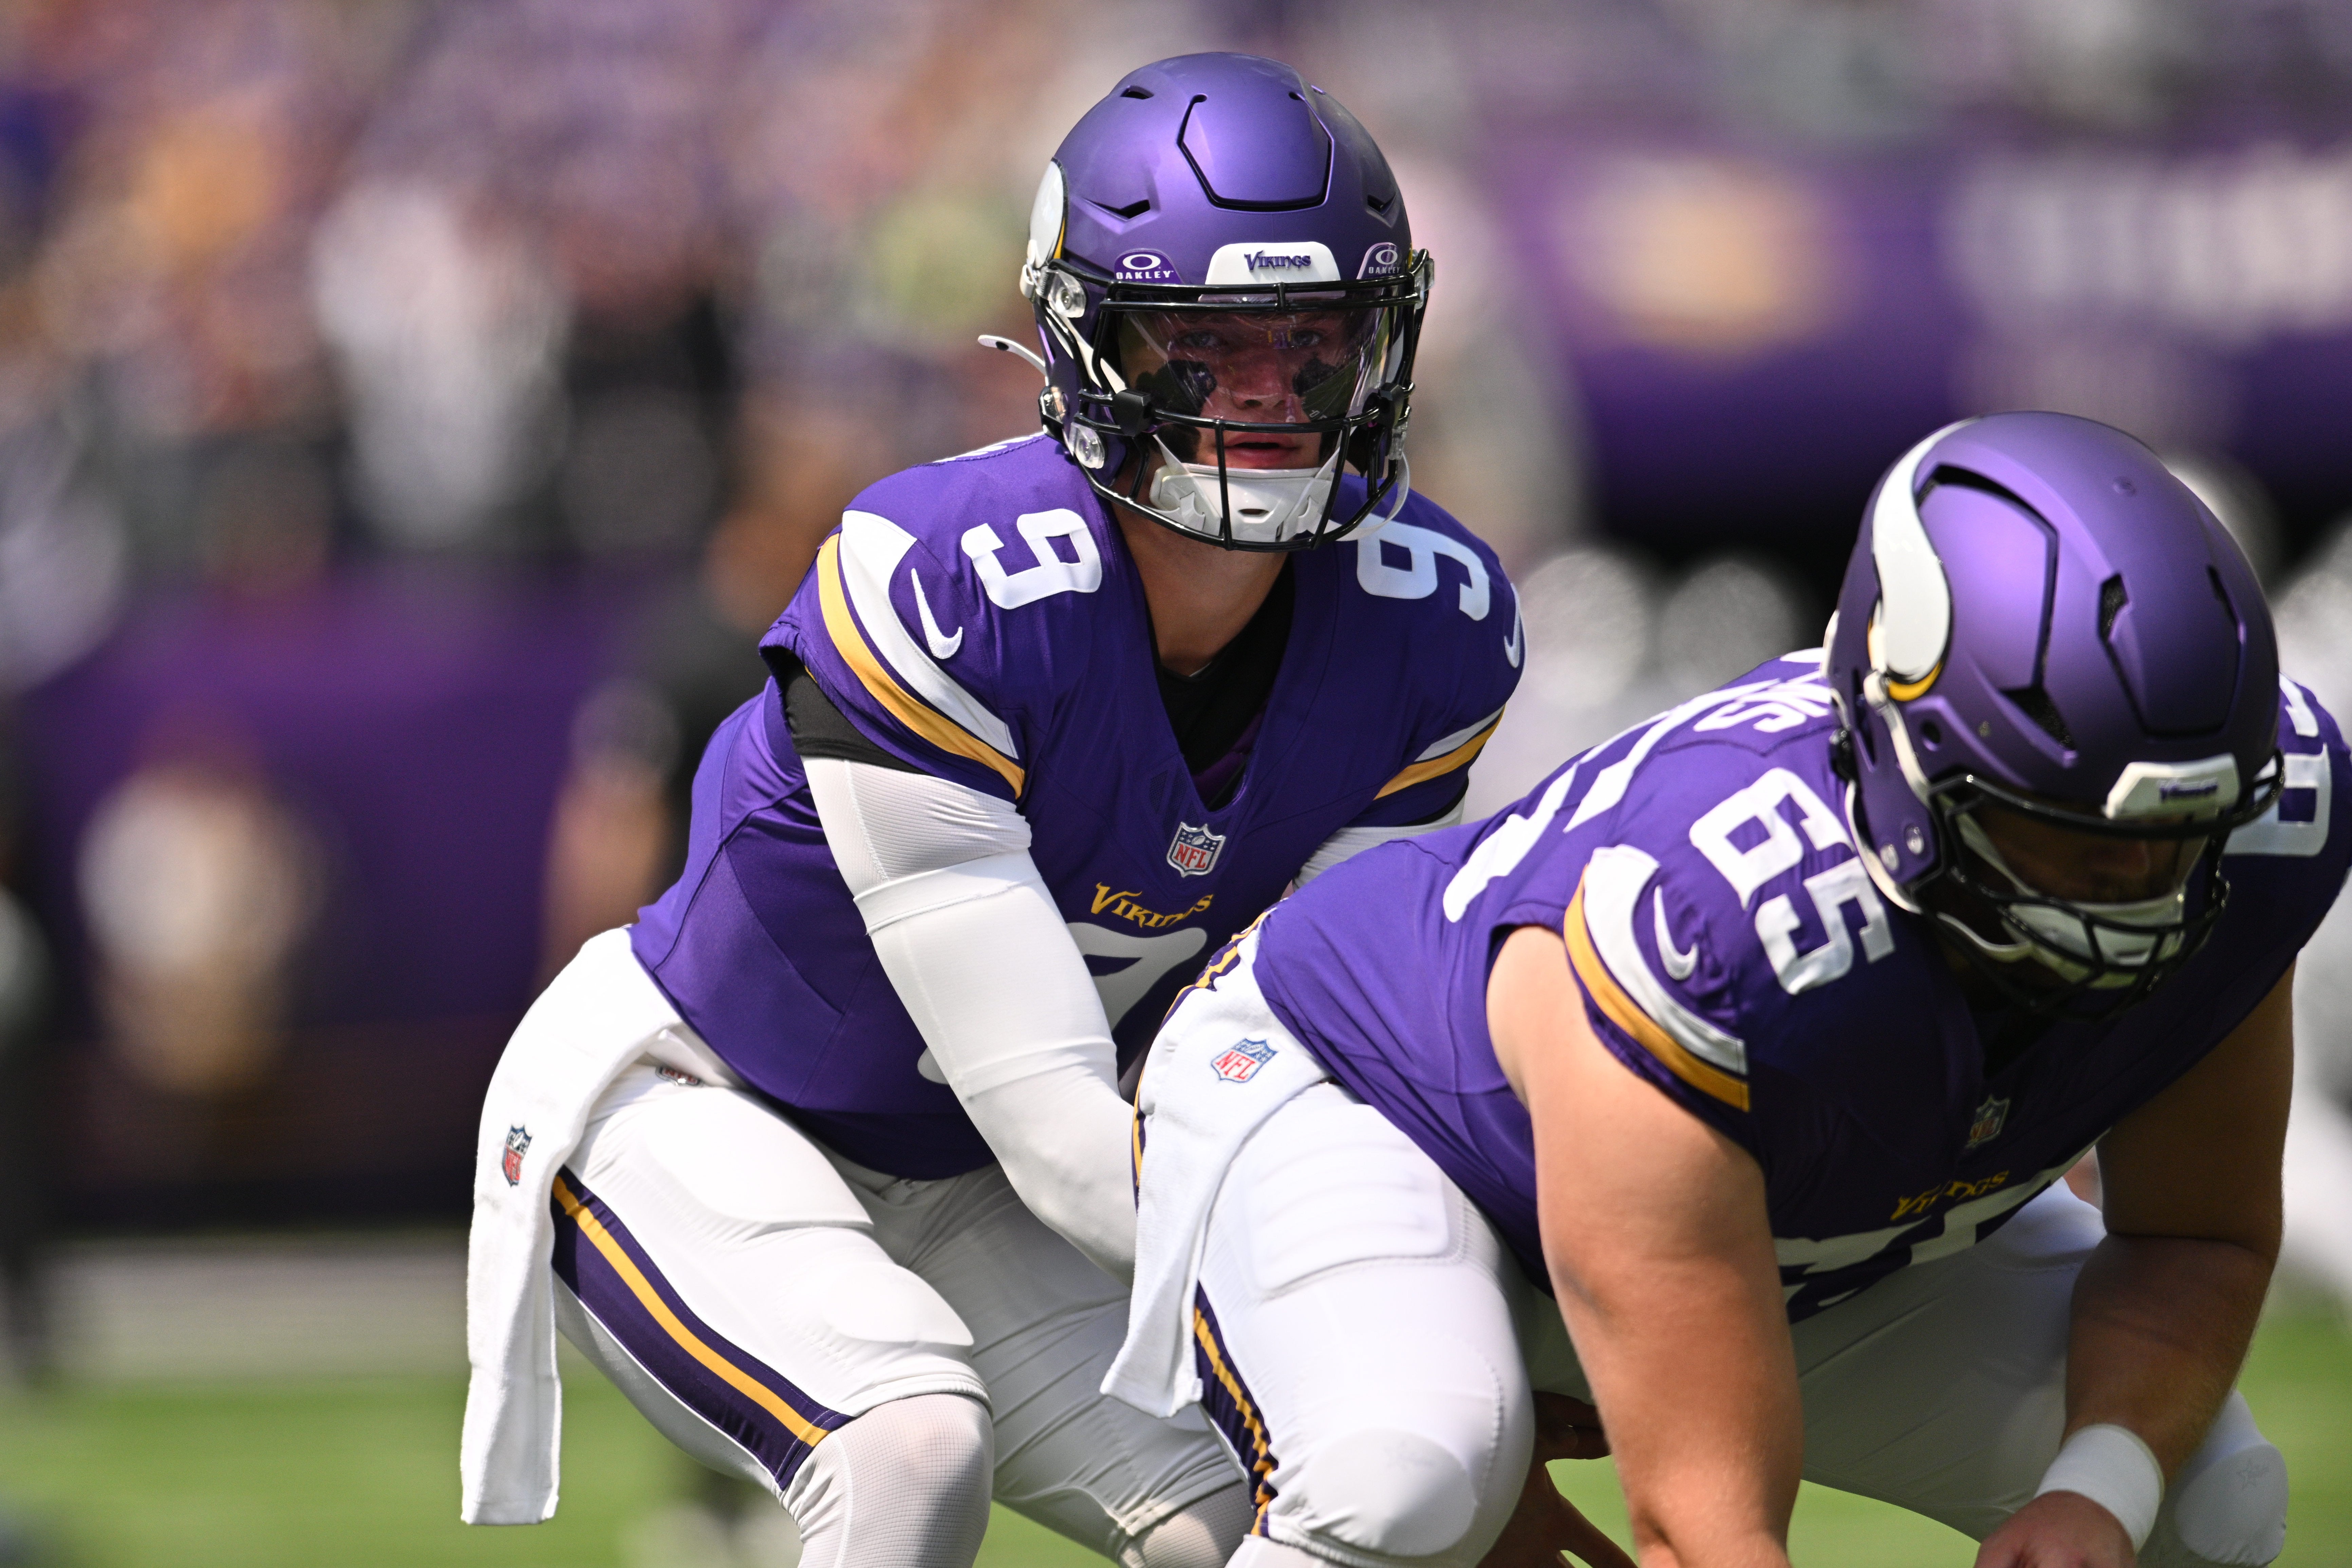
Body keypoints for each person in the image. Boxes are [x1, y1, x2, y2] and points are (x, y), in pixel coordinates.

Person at [462, 52, 1525, 1568]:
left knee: (1270, 1516)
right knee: (906, 1450)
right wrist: (1388, 1301)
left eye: (1312, 344)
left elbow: (1318, 1053)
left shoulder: (1431, 625)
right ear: (1088, 343)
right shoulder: (947, 583)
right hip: (706, 1098)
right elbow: (1054, 1123)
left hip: (968, 1172)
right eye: (1202, 350)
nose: (1268, 403)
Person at [1107, 411, 2340, 1568]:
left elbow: (2192, 1232)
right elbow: (1710, 1534)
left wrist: (2095, 1493)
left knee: (2197, 1498)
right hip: (1379, 1112)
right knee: (1410, 1480)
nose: (2128, 893)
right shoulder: (1713, 921)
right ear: (1905, 762)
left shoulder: (2260, 825)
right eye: (2061, 834)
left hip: (1782, 1214)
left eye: (2173, 843)